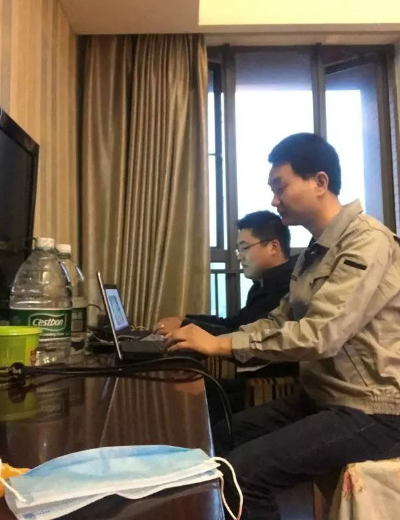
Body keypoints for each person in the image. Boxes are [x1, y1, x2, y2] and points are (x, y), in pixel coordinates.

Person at [165, 133, 400, 520]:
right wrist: (215, 337)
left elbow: (321, 335)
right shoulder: (312, 254)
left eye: (280, 187)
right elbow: (280, 319)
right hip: (323, 397)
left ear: (320, 182)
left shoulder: (367, 242)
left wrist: (221, 345)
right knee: (218, 435)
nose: (274, 200)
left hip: (373, 410)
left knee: (240, 474)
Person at [154, 211, 295, 336]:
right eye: (238, 250)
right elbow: (233, 323)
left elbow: (244, 336)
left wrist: (184, 326)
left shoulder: (289, 287)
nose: (239, 257)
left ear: (273, 247)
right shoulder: (261, 285)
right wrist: (185, 320)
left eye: (244, 248)